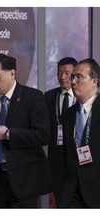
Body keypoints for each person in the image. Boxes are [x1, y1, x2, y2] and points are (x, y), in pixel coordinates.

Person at [0, 53, 51, 208]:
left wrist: (9, 134)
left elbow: (43, 135)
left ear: (12, 73)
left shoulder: (32, 97)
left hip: (23, 179)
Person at [59, 58, 100, 208]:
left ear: (94, 81)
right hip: (71, 192)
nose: (73, 81)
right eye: (72, 77)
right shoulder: (68, 114)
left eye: (79, 77)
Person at [44, 57, 77, 207]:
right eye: (59, 73)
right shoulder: (49, 96)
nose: (62, 77)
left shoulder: (81, 95)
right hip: (55, 159)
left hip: (77, 158)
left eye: (66, 73)